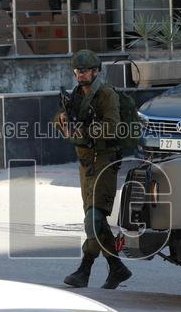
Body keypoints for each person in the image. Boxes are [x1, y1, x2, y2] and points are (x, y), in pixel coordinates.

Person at [56, 49, 132, 290]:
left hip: (105, 160)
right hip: (86, 163)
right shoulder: (77, 95)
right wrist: (63, 123)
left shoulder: (106, 94)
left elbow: (113, 126)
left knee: (94, 217)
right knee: (94, 218)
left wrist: (87, 131)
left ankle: (84, 269)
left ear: (96, 71)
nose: (81, 75)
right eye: (78, 71)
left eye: (85, 70)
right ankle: (117, 268)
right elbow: (64, 123)